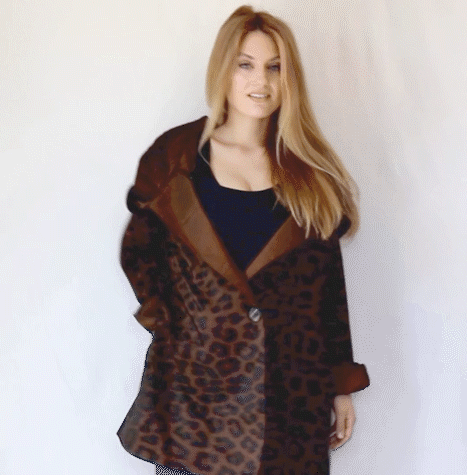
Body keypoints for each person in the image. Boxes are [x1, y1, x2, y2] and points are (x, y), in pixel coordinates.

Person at [117, 5, 370, 475]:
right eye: (245, 64)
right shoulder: (176, 158)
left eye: (275, 67)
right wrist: (178, 326)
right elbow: (139, 252)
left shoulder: (308, 173)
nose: (261, 80)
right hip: (194, 405)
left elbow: (328, 292)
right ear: (223, 70)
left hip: (289, 399)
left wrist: (340, 385)